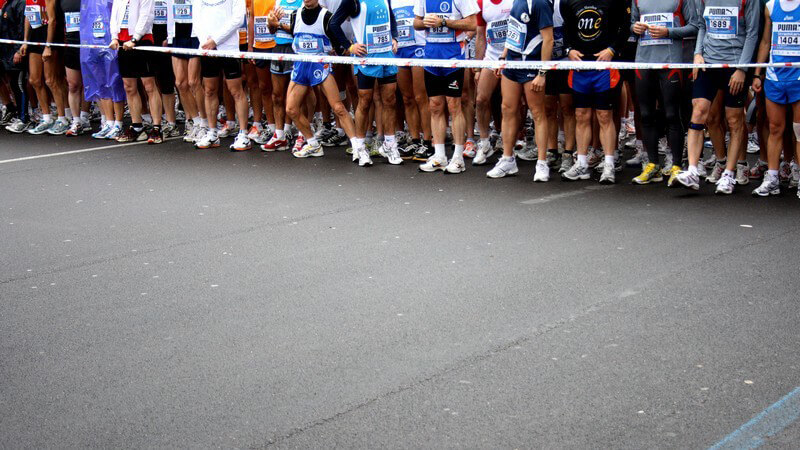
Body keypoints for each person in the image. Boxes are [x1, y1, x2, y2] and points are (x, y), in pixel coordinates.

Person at [674, 0, 760, 193]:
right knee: (699, 112)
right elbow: (702, 25)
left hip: (734, 65)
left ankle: (730, 174)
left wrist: (742, 69)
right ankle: (693, 171)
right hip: (708, 63)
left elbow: (752, 33)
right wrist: (698, 53)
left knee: (734, 119)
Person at [266, 0, 360, 157]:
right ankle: (313, 144)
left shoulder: (327, 17)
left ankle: (358, 148)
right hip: (301, 67)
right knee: (291, 109)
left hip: (320, 67)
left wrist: (349, 48)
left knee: (338, 108)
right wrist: (274, 24)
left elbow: (339, 45)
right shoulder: (295, 15)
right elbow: (285, 31)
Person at [560, 0, 631, 184]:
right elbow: (567, 27)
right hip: (580, 67)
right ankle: (581, 163)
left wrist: (612, 50)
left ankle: (609, 164)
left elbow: (625, 27)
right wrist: (569, 50)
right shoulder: (568, 1)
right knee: (581, 115)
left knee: (604, 116)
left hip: (604, 67)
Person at [629, 0, 699, 185]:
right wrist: (634, 28)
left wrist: (669, 32)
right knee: (646, 114)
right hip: (644, 61)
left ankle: (676, 165)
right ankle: (653, 165)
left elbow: (694, 27)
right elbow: (632, 23)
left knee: (672, 114)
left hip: (670, 62)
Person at [485, 0, 554, 181]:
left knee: (537, 112)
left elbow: (548, 39)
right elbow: (512, 31)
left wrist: (542, 72)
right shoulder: (517, 1)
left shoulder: (540, 3)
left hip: (531, 64)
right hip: (512, 63)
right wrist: (503, 57)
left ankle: (542, 163)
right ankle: (508, 159)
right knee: (507, 109)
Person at [331, 0, 403, 166]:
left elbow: (391, 16)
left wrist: (394, 37)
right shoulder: (352, 1)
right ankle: (360, 147)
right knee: (365, 101)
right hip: (366, 58)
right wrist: (350, 47)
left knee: (390, 100)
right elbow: (334, 23)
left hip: (386, 55)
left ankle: (390, 144)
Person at [413, 0, 479, 173]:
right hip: (431, 57)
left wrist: (443, 22)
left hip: (453, 57)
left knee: (454, 105)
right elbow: (416, 23)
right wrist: (425, 22)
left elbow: (473, 23)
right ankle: (440, 156)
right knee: (435, 106)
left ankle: (458, 158)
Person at [751, 0, 800, 198]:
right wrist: (757, 73)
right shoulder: (771, 6)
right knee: (775, 128)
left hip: (798, 77)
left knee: (799, 131)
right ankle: (772, 178)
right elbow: (765, 42)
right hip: (775, 77)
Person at [192, 0, 252, 150]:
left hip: (229, 47)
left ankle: (244, 135)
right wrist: (205, 42)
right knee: (209, 90)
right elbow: (196, 19)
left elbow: (238, 19)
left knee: (236, 91)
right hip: (207, 48)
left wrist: (215, 40)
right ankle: (212, 133)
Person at [110, 0, 165, 144]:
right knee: (129, 86)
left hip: (142, 40)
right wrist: (114, 37)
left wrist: (135, 38)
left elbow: (146, 16)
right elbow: (114, 15)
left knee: (149, 85)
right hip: (123, 42)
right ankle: (137, 127)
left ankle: (157, 127)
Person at [471, 0, 511, 166]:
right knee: (481, 100)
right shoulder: (482, 3)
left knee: (511, 104)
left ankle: (510, 144)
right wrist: (478, 68)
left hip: (511, 57)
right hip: (492, 56)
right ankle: (485, 143)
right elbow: (480, 36)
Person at [392, 0, 432, 160]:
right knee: (407, 98)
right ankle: (415, 140)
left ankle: (428, 142)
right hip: (400, 50)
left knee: (421, 97)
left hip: (419, 48)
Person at [260, 0, 302, 151]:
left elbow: (299, 29)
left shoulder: (302, 3)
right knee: (277, 95)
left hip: (294, 49)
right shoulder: (279, 2)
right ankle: (279, 135)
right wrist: (271, 24)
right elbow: (272, 30)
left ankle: (295, 132)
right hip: (278, 48)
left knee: (296, 95)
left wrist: (278, 24)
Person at [167, 0, 209, 142]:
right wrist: (169, 36)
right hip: (177, 34)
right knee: (180, 83)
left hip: (195, 35)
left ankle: (204, 123)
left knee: (193, 82)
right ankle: (195, 122)